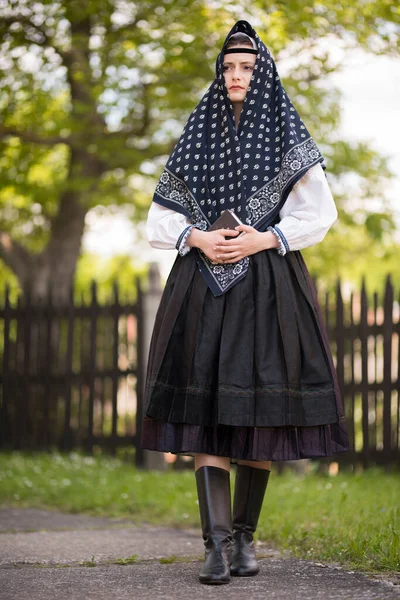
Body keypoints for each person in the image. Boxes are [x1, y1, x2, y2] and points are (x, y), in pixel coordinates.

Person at [140, 20, 349, 586]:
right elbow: (159, 217)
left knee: (257, 409)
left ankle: (244, 541)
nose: (236, 76)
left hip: (267, 288)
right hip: (201, 286)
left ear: (263, 73)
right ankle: (214, 547)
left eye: (246, 68)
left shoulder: (285, 131)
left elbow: (318, 214)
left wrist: (265, 237)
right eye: (229, 67)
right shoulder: (199, 131)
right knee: (207, 407)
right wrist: (198, 237)